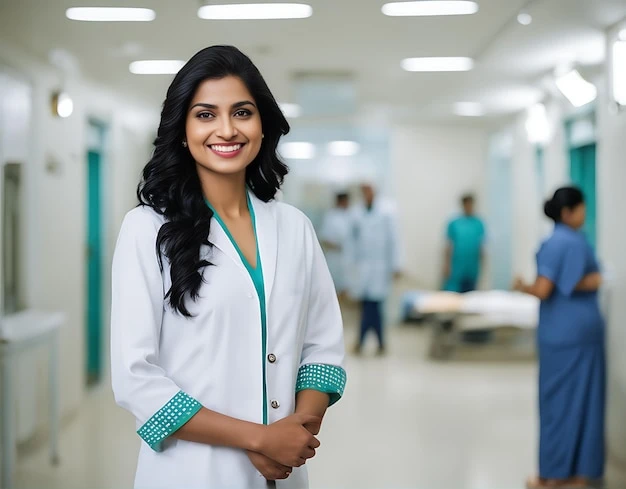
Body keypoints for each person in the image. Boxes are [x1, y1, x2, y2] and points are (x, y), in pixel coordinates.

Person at [110, 45, 346, 489]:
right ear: (181, 128)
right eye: (205, 114)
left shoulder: (293, 227)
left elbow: (322, 347)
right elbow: (134, 377)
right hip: (190, 474)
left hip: (285, 472)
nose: (226, 129)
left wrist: (295, 433)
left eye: (242, 112)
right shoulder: (146, 229)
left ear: (262, 125)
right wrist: (260, 439)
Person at [514, 186, 605, 489]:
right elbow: (578, 281)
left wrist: (522, 286)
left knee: (556, 406)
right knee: (581, 404)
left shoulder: (553, 243)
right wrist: (593, 280)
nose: (585, 214)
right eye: (582, 208)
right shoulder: (576, 242)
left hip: (560, 335)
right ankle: (574, 473)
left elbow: (543, 289)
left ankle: (553, 474)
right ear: (569, 212)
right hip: (581, 334)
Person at [351, 183, 401, 355]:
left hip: (380, 265)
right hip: (364, 266)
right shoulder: (357, 212)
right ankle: (380, 343)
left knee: (372, 306)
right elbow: (352, 241)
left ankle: (362, 341)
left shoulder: (387, 211)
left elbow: (394, 240)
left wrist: (396, 265)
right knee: (371, 306)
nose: (367, 193)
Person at [443, 193, 486, 293]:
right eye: (467, 204)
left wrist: (482, 265)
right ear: (462, 205)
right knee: (453, 294)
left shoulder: (478, 223)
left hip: (472, 266)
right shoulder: (454, 223)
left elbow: (481, 246)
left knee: (471, 294)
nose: (469, 207)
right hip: (457, 266)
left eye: (471, 204)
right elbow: (449, 245)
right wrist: (446, 265)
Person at [320, 192, 352, 297]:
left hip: (346, 258)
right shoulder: (331, 216)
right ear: (341, 201)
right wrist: (338, 246)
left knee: (347, 289)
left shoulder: (350, 215)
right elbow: (325, 238)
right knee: (333, 290)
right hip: (334, 257)